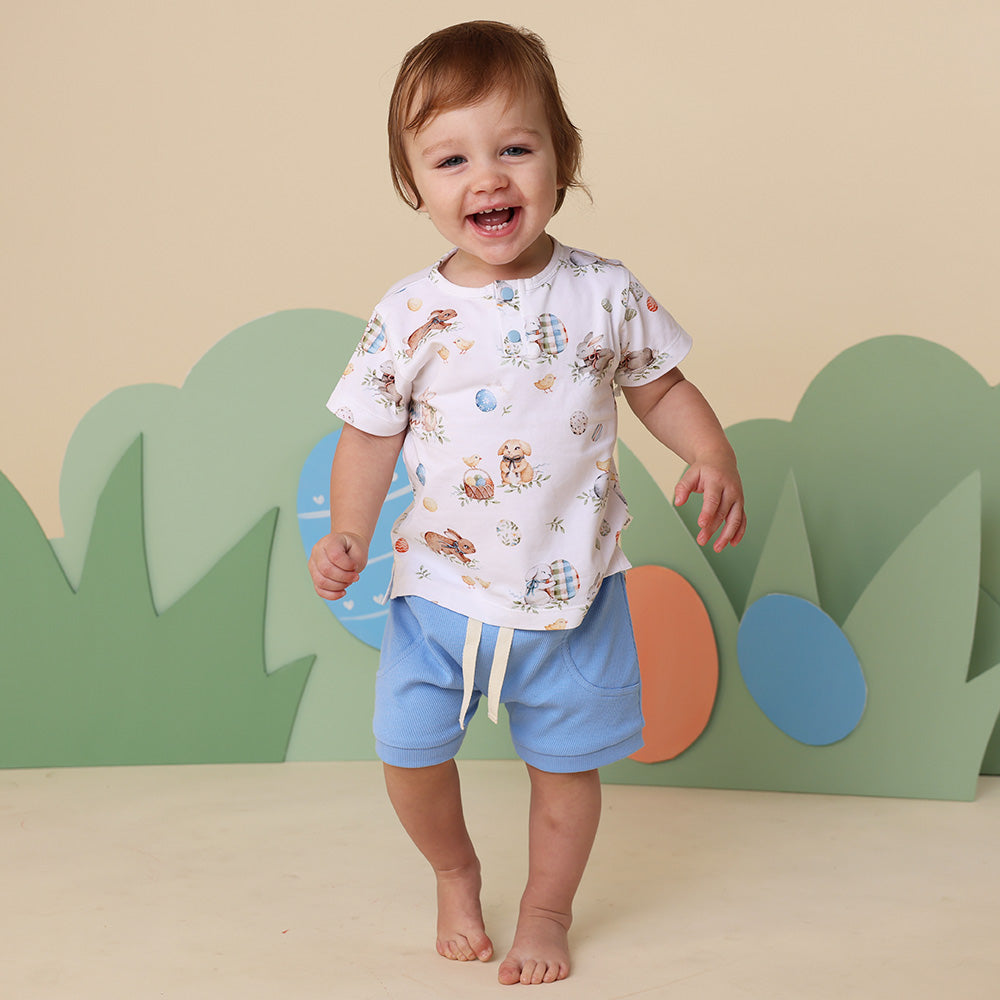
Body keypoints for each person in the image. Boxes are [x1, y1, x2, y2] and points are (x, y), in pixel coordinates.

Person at [308, 20, 746, 986]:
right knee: (409, 754)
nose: (488, 179)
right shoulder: (409, 313)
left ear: (562, 158)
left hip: (572, 594)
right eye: (451, 160)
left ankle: (547, 910)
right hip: (438, 594)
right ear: (414, 184)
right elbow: (369, 432)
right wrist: (349, 529)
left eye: (515, 149)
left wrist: (710, 450)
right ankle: (454, 872)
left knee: (567, 772)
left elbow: (661, 387)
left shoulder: (604, 292)